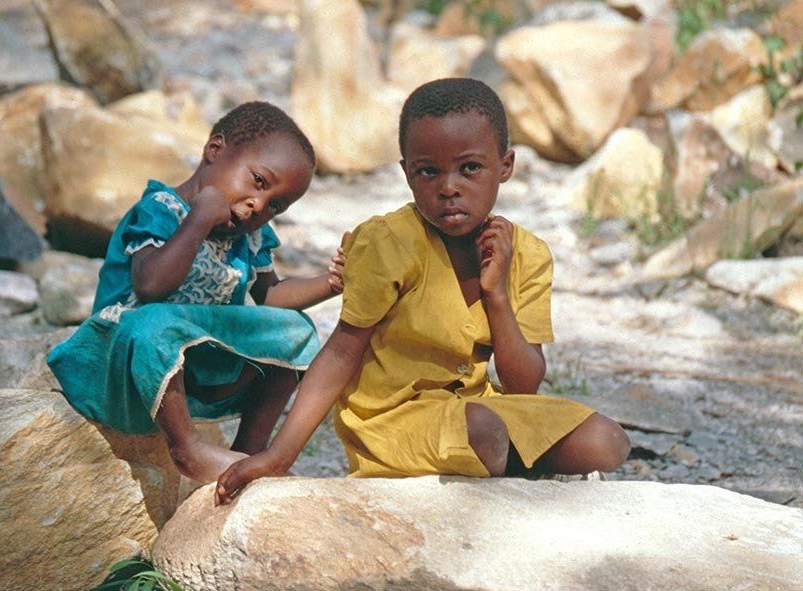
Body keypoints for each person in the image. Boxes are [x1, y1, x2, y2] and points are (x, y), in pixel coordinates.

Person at [215, 78, 630, 503]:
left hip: (476, 409)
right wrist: (278, 456)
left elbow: (524, 384)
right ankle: (523, 472)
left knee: (606, 442)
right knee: (487, 436)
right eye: (428, 171)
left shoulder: (525, 254)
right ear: (407, 173)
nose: (448, 187)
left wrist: (497, 294)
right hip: (391, 421)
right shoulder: (388, 242)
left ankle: (511, 466)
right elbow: (341, 352)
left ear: (505, 165)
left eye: (470, 168)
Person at [48, 101, 346, 483]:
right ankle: (187, 448)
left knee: (297, 329)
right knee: (152, 324)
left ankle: (249, 451)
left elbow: (270, 296)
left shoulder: (249, 236)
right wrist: (200, 218)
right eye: (258, 181)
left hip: (195, 382)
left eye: (276, 205)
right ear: (215, 150)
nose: (258, 205)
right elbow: (151, 286)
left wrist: (331, 282)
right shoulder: (160, 210)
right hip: (123, 373)